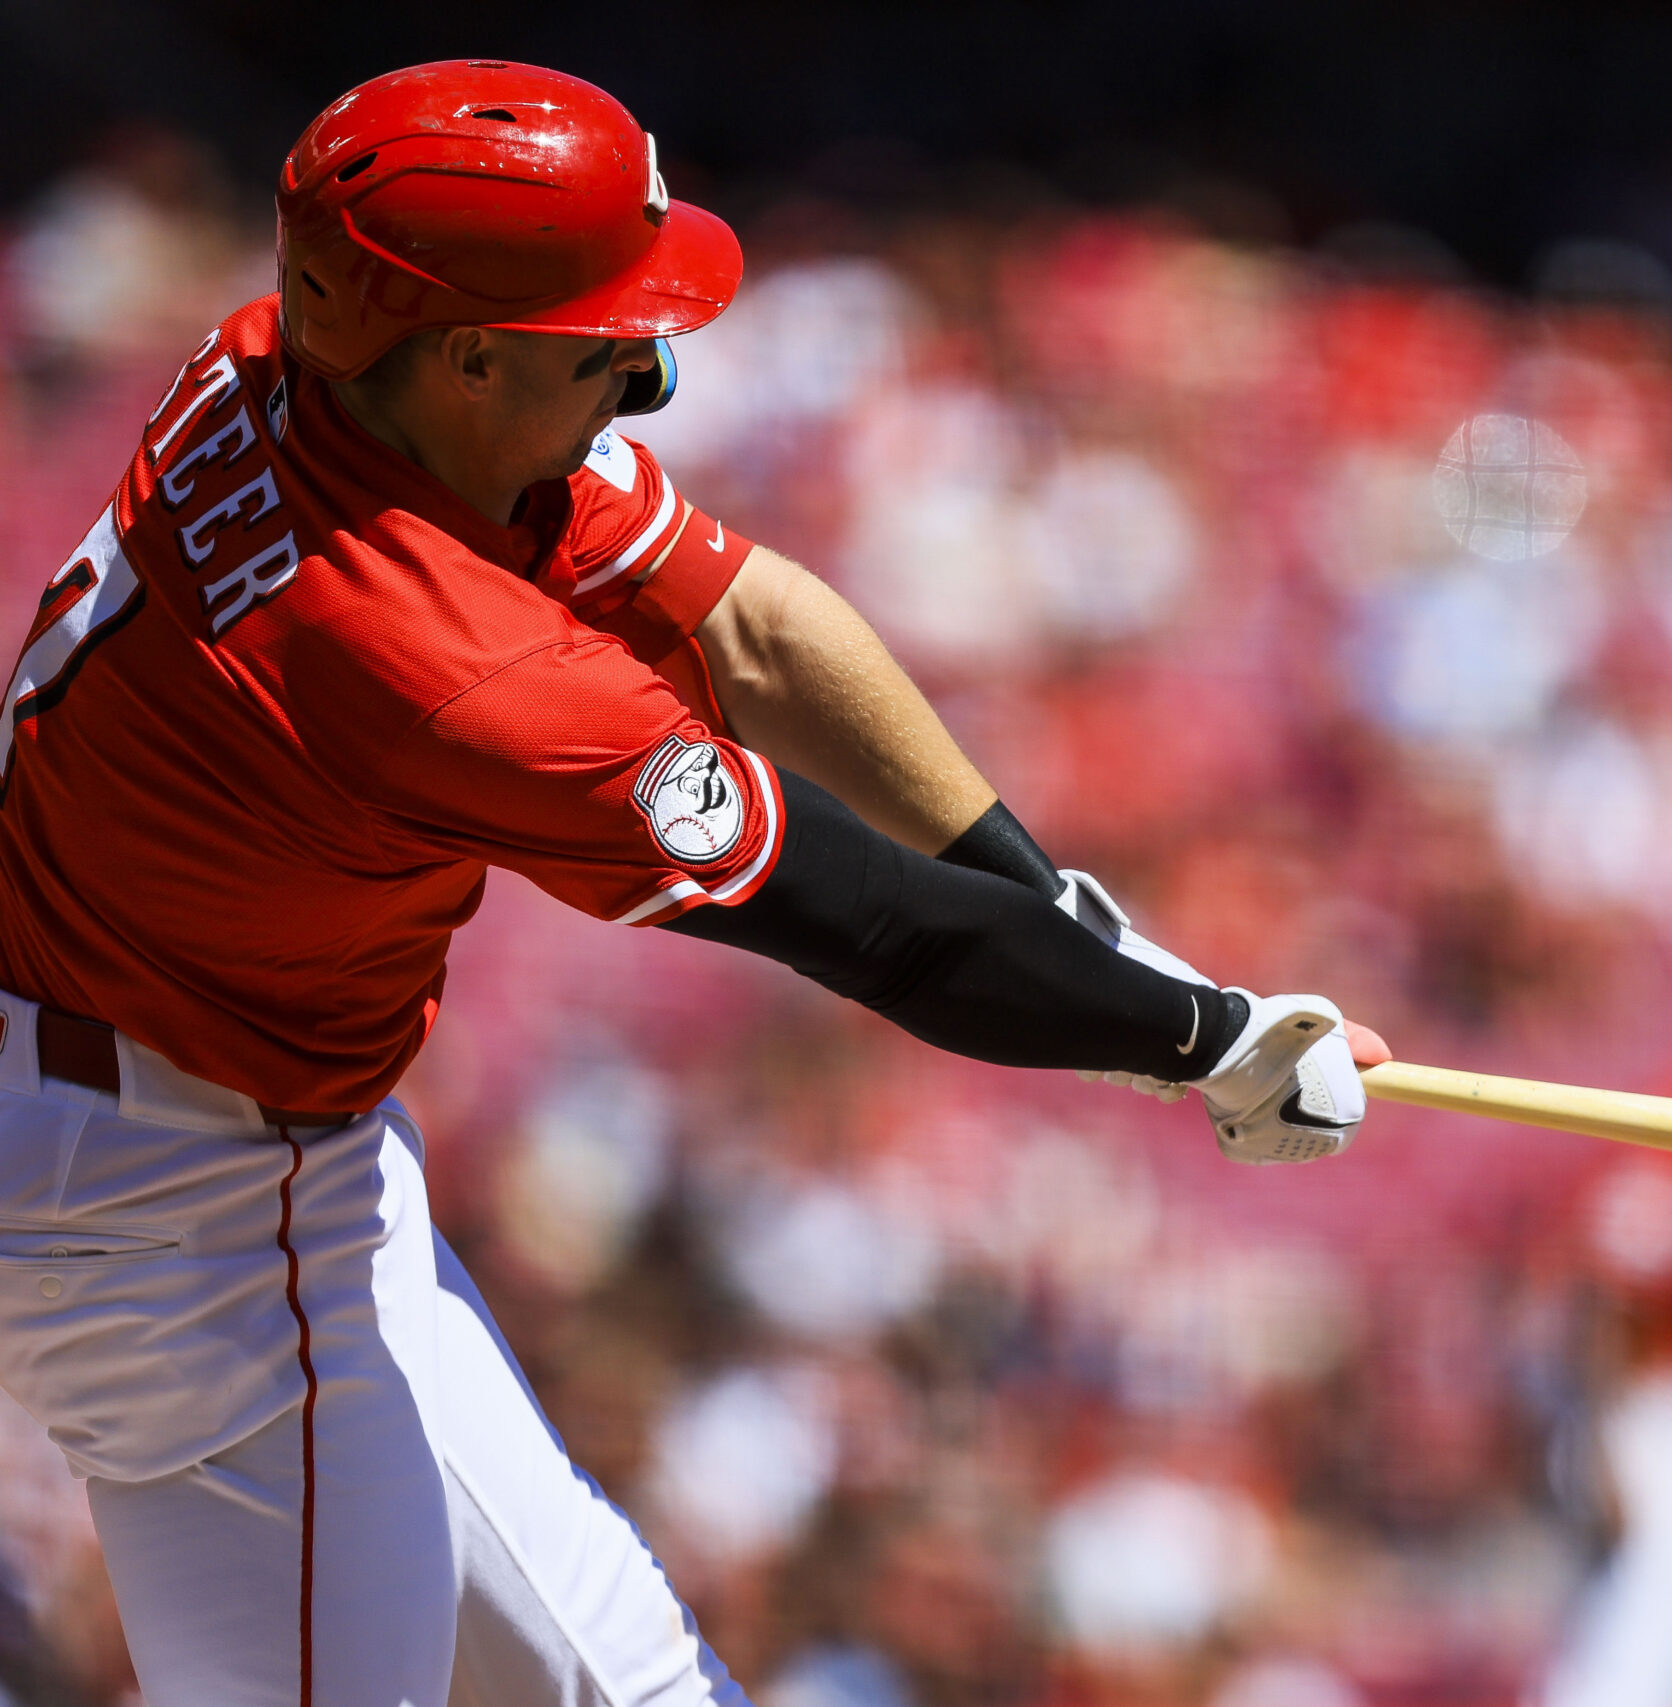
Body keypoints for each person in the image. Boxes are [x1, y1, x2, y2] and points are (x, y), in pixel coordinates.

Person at [0, 59, 1384, 1706]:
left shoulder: (290, 368)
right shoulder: (437, 667)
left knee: (635, 1686)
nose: (644, 375)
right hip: (175, 1210)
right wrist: (1203, 1037)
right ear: (465, 356)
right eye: (609, 350)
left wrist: (1050, 904)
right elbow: (873, 929)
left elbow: (748, 627)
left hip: (192, 1130)